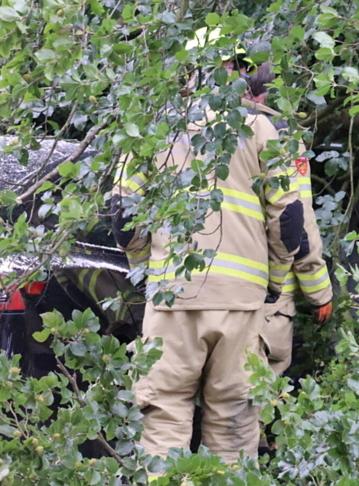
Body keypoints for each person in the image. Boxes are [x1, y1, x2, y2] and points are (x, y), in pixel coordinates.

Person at [110, 57, 304, 465]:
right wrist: (273, 283)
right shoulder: (261, 129)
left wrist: (149, 271)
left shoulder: (154, 126)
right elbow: (288, 221)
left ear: (189, 72)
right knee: (234, 422)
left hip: (172, 298)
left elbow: (123, 214)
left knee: (163, 417)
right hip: (242, 303)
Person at [242, 77, 334, 377]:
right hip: (269, 293)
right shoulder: (281, 137)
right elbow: (297, 220)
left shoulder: (208, 131)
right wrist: (319, 292)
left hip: (206, 295)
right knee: (254, 397)